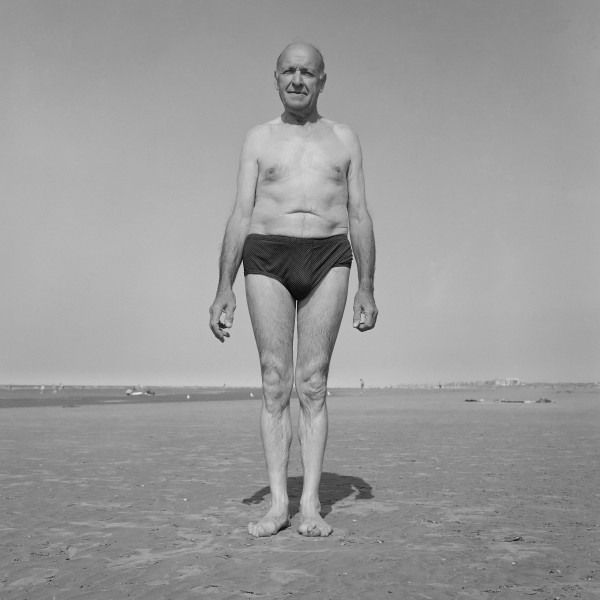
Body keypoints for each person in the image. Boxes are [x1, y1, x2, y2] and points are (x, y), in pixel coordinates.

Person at [209, 42, 377, 537]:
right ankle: (277, 505)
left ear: (323, 80)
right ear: (276, 78)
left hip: (329, 254)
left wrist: (367, 286)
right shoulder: (258, 139)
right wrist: (223, 287)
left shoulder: (344, 139)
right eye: (289, 71)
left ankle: (309, 507)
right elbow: (240, 213)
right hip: (266, 255)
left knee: (314, 382)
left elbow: (360, 214)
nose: (298, 79)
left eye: (308, 72)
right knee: (275, 380)